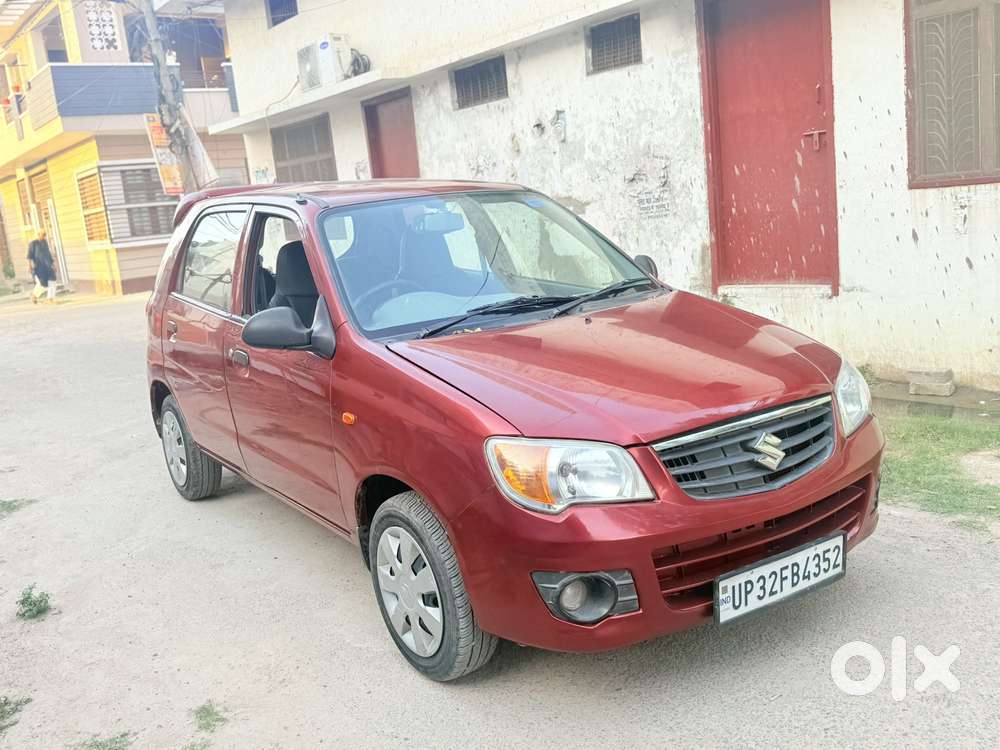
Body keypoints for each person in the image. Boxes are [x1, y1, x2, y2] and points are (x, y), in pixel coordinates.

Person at [27, 230, 57, 305]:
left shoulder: (45, 242)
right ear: (38, 234)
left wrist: (53, 265)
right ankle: (34, 295)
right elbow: (29, 256)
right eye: (42, 234)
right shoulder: (33, 243)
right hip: (39, 267)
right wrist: (29, 266)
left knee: (52, 280)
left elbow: (49, 254)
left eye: (45, 235)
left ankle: (50, 299)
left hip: (48, 266)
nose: (44, 236)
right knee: (42, 284)